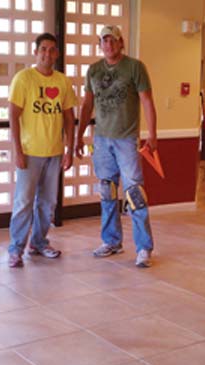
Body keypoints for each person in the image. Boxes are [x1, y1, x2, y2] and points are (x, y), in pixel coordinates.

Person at [75, 25, 157, 268]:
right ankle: (111, 241)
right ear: (99, 44)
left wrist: (152, 134)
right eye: (104, 40)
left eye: (113, 40)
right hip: (102, 140)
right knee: (107, 191)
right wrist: (79, 136)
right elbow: (86, 106)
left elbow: (147, 101)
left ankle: (143, 248)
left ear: (121, 43)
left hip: (126, 140)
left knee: (134, 194)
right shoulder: (93, 70)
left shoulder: (135, 67)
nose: (108, 44)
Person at [7, 33, 78, 268]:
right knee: (24, 202)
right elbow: (13, 116)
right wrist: (17, 150)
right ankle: (16, 250)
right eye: (43, 49)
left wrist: (69, 148)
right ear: (36, 52)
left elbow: (69, 117)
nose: (47, 54)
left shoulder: (63, 82)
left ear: (56, 54)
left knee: (47, 203)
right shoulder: (23, 79)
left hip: (54, 152)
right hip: (29, 153)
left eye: (52, 50)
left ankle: (38, 243)